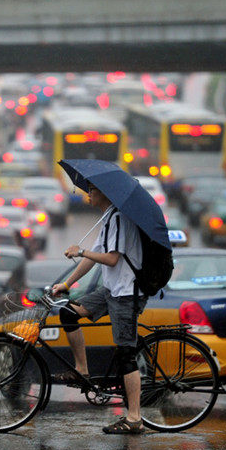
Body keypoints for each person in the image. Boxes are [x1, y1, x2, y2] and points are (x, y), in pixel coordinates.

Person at [51, 181, 148, 435]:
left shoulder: (118, 218)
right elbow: (93, 257)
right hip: (111, 290)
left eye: (92, 190)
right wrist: (66, 283)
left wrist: (80, 250)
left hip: (127, 293)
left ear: (105, 191)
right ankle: (82, 371)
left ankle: (135, 418)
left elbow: (112, 258)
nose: (88, 194)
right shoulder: (108, 217)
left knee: (126, 354)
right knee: (68, 312)